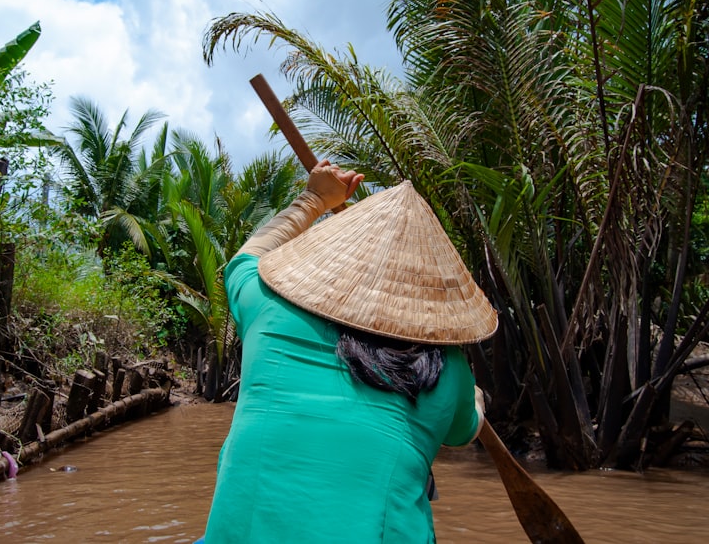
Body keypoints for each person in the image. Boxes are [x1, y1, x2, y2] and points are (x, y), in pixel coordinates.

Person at [200, 161, 498, 543]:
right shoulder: (448, 368)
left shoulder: (268, 308)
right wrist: (473, 398)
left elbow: (245, 260)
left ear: (338, 260)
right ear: (428, 291)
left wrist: (314, 199)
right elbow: (462, 432)